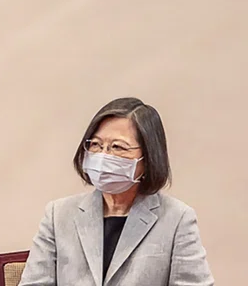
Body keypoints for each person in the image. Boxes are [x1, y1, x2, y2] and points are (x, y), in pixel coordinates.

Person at [18, 97, 214, 286]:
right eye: (95, 144)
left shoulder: (177, 219)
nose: (103, 156)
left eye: (118, 147)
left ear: (148, 158)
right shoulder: (58, 214)